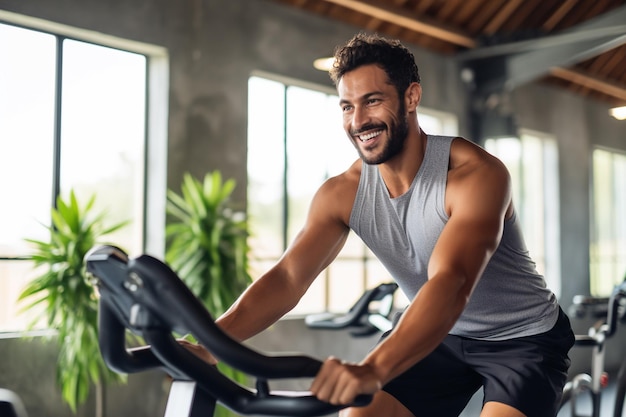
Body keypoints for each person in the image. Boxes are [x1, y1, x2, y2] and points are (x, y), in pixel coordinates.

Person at [183, 32, 575, 417]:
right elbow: (288, 277)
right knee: (359, 415)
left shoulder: (474, 175)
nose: (358, 121)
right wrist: (210, 343)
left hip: (522, 339)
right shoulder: (342, 193)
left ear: (411, 97)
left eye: (372, 101)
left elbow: (451, 282)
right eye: (347, 106)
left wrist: (373, 369)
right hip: (441, 340)